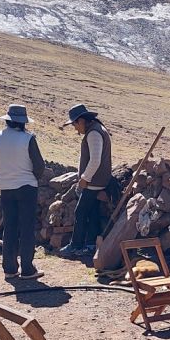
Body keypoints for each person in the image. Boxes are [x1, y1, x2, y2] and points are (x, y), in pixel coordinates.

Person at [0, 104, 47, 281]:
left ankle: (9, 267)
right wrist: (33, 177)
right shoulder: (28, 139)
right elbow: (39, 166)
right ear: (23, 122)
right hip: (26, 186)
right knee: (27, 228)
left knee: (10, 227)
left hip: (6, 186)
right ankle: (27, 269)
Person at [58, 104, 112, 258]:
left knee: (80, 212)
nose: (76, 129)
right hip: (98, 179)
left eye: (75, 124)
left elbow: (95, 160)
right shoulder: (96, 129)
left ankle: (75, 245)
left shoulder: (93, 133)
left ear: (81, 121)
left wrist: (84, 178)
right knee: (93, 212)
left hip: (93, 181)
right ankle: (89, 245)